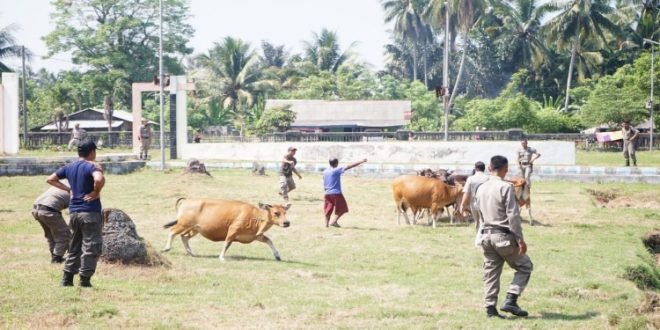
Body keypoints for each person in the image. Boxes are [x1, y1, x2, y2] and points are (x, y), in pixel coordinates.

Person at [475, 155, 533, 319]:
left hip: (485, 235)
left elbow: (478, 212)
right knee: (525, 266)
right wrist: (520, 240)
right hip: (503, 236)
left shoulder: (481, 188)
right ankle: (511, 299)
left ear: (489, 167)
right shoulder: (506, 187)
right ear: (505, 169)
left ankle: (490, 309)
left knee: (491, 273)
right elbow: (513, 216)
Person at [46, 141, 105, 288]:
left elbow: (50, 178)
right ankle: (84, 280)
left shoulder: (69, 167)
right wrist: (96, 192)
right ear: (92, 152)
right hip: (90, 212)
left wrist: (68, 189)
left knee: (74, 246)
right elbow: (98, 179)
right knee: (91, 246)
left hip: (74, 213)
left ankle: (67, 279)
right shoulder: (93, 166)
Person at [323, 158, 368, 228]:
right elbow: (349, 166)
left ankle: (326, 225)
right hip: (336, 193)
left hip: (327, 193)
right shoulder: (336, 170)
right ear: (336, 163)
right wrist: (361, 161)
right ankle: (334, 221)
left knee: (328, 209)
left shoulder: (325, 171)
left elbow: (325, 182)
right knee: (343, 208)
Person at [31, 186, 71, 263]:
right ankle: (56, 259)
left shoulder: (64, 182)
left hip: (36, 209)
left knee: (51, 236)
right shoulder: (77, 186)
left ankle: (54, 255)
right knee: (64, 235)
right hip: (49, 210)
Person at [459, 161, 489, 234]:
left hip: (474, 204)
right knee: (485, 222)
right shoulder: (488, 178)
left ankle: (479, 238)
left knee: (477, 222)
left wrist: (462, 206)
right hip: (487, 204)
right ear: (484, 169)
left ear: (475, 169)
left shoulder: (471, 179)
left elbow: (466, 193)